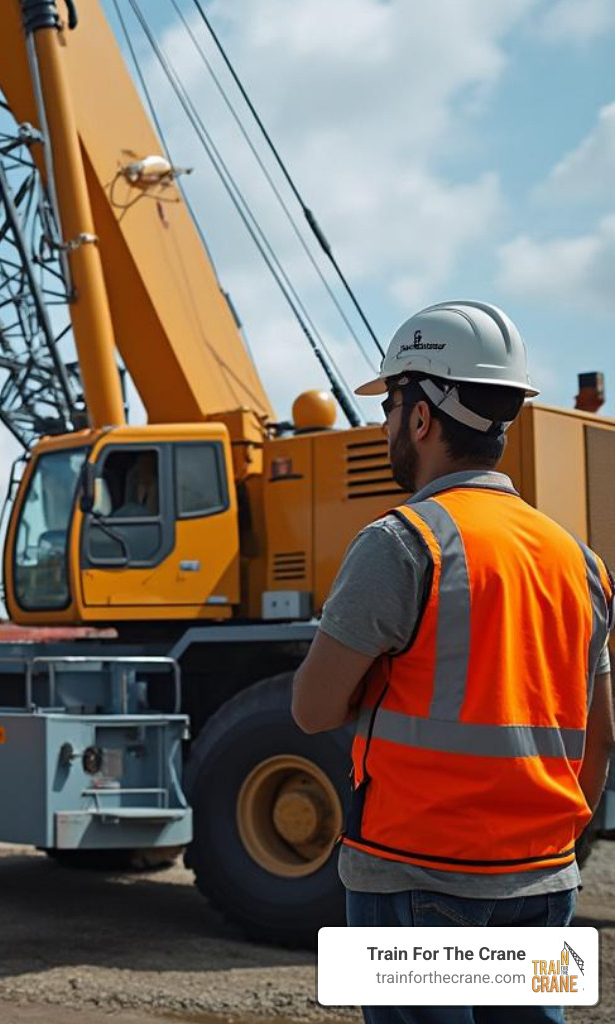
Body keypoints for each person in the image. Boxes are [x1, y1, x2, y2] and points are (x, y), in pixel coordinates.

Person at [291, 300, 613, 1024]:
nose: (382, 426)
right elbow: (600, 738)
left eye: (389, 407)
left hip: (414, 877)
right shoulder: (579, 560)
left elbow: (311, 709)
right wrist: (549, 844)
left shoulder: (402, 542)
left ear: (423, 418)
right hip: (543, 878)